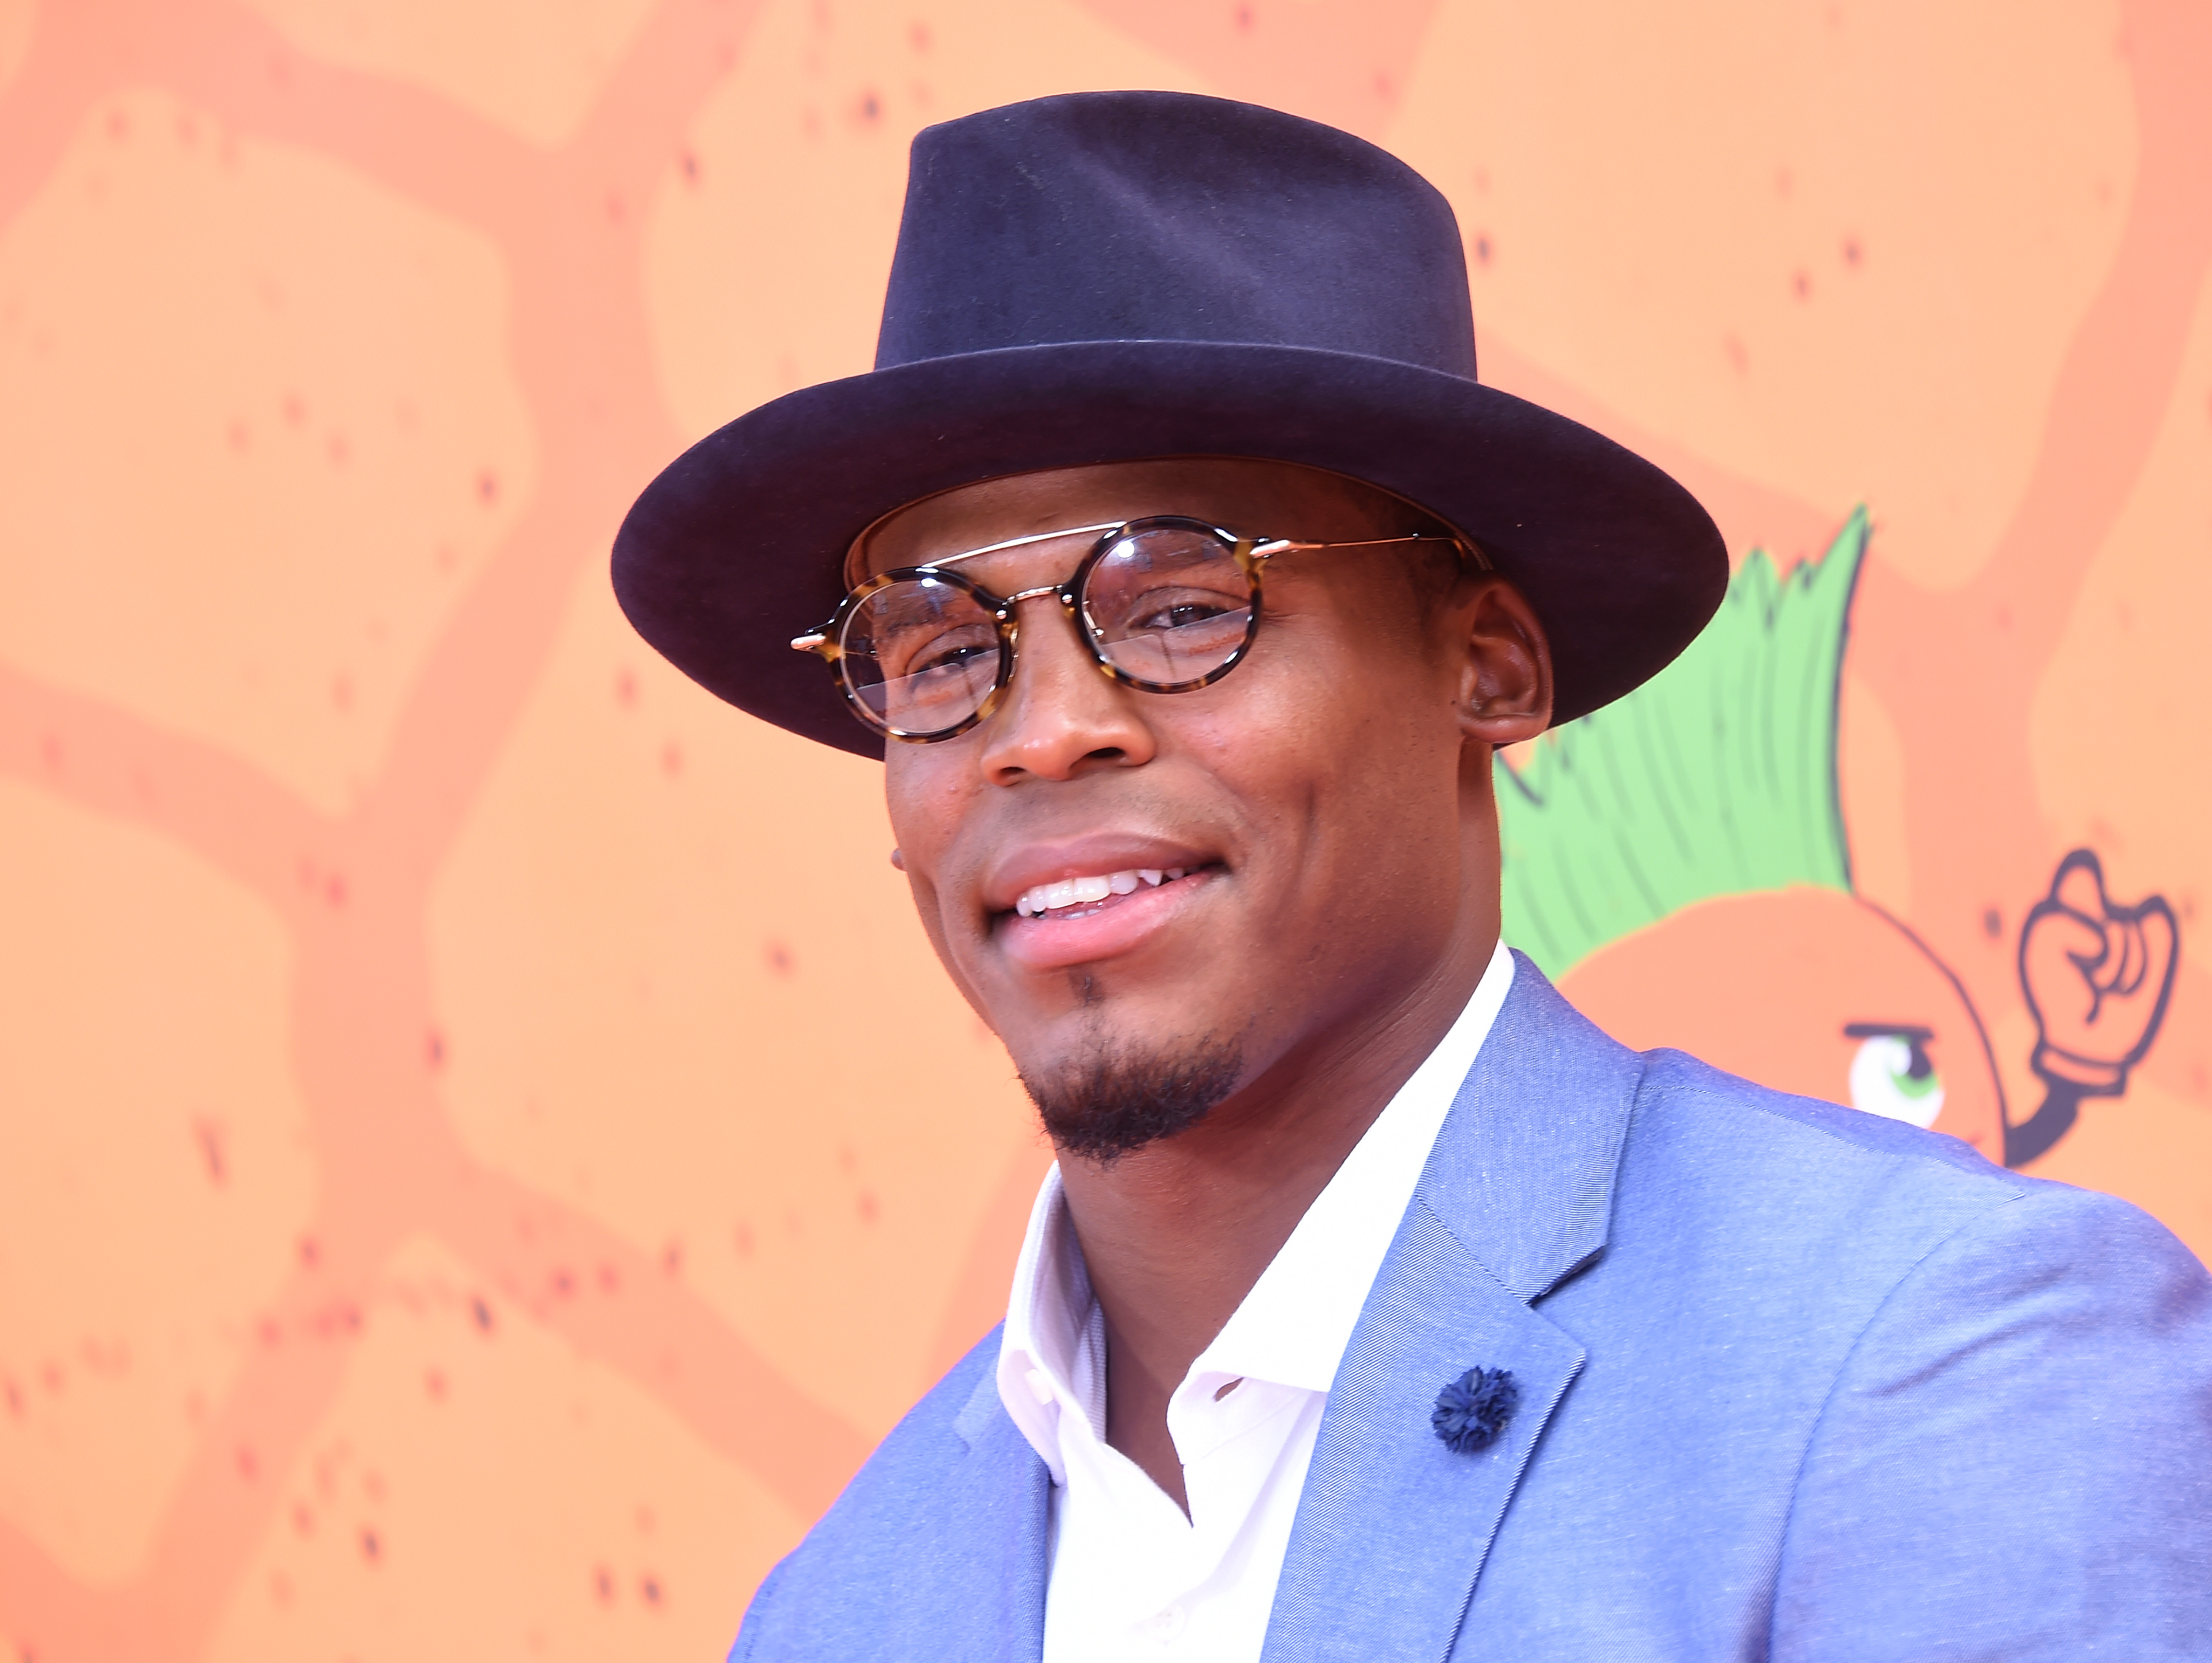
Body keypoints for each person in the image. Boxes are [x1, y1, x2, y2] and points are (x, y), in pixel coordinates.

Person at [613, 90, 2212, 1661]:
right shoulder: (840, 1609)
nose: (1041, 733)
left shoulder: (1938, 1357)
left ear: (1490, 667)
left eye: (1183, 608)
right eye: (943, 650)